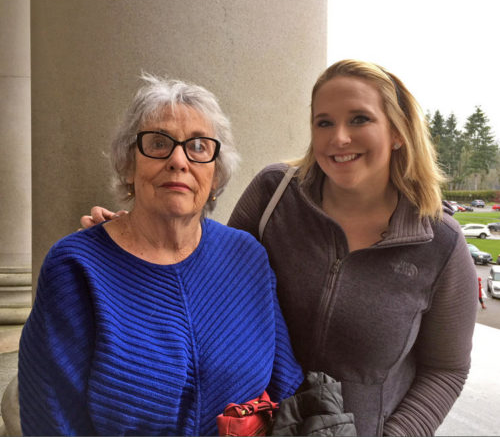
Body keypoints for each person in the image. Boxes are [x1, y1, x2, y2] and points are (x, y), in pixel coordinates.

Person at [81, 60, 478, 436]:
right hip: (256, 423)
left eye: (359, 119)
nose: (339, 137)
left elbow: (446, 370)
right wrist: (135, 234)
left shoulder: (439, 242)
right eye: (324, 122)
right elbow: (210, 265)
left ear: (397, 132)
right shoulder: (275, 192)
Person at [18, 75, 303, 436]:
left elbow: (287, 386)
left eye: (199, 146)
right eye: (158, 143)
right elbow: (51, 415)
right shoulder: (76, 267)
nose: (178, 160)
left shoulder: (247, 259)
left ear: (215, 175)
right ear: (128, 165)